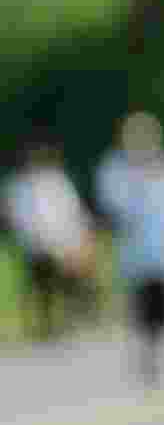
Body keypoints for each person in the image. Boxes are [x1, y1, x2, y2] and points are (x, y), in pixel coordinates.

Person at [96, 112, 164, 386]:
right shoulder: (116, 168)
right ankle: (147, 354)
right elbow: (112, 204)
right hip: (136, 252)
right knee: (141, 306)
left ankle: (162, 353)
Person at [3, 137, 98, 340]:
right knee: (40, 285)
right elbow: (14, 216)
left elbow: (72, 213)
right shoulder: (17, 186)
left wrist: (77, 240)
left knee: (66, 281)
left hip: (60, 243)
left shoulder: (56, 182)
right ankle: (45, 323)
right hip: (34, 246)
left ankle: (69, 317)